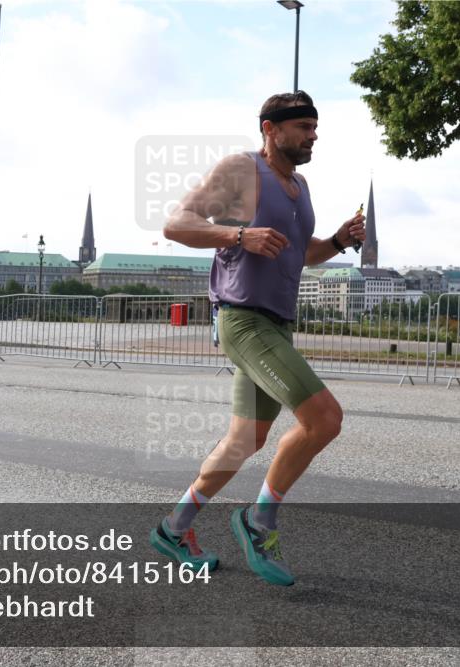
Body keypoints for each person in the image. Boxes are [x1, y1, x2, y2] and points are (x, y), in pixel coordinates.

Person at [153, 91, 366, 586]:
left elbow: (299, 253)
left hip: (277, 324)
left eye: (314, 127)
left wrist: (336, 241)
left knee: (245, 440)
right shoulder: (241, 170)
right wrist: (236, 236)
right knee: (325, 419)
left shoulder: (301, 185)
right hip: (244, 319)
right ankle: (259, 520)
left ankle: (173, 527)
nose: (313, 136)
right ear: (271, 129)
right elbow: (177, 223)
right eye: (303, 128)